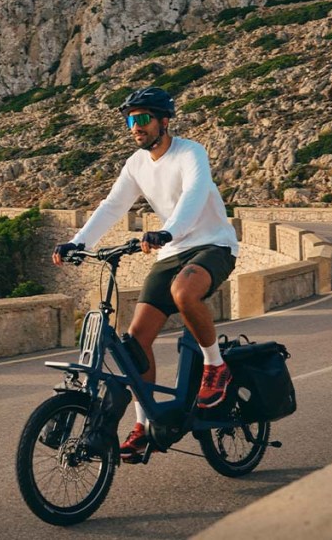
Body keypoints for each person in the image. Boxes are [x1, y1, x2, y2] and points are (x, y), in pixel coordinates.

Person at [51, 86, 239, 463]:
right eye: (129, 120)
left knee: (185, 293)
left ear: (163, 122)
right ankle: (143, 426)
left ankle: (216, 366)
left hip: (212, 244)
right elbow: (112, 205)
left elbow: (195, 194)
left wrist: (170, 230)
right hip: (172, 249)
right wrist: (78, 242)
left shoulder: (190, 152)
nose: (134, 127)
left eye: (142, 119)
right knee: (136, 343)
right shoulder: (136, 163)